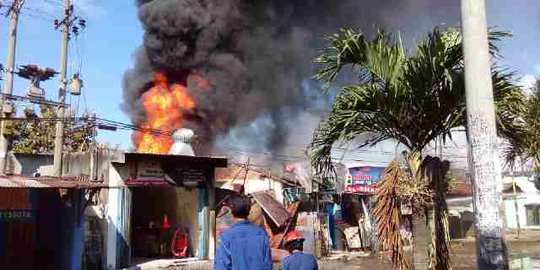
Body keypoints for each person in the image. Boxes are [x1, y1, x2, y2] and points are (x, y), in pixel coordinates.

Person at [214, 194, 272, 270]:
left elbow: (221, 267)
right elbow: (267, 265)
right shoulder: (261, 233)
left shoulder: (226, 236)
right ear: (249, 211)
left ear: (231, 210)